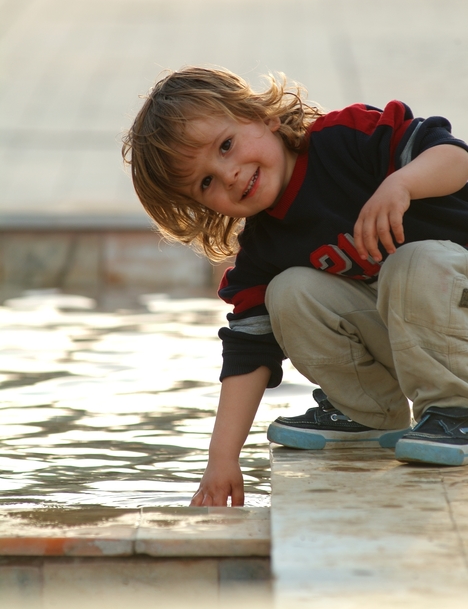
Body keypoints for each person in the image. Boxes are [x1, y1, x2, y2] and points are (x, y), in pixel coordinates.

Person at [122, 66, 468, 507]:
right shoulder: (263, 251)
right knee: (288, 291)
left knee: (412, 261)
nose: (227, 175)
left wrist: (401, 182)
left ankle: (458, 410)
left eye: (225, 146)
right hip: (425, 337)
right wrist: (221, 460)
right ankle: (370, 413)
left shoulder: (345, 139)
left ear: (262, 116)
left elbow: (455, 157)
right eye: (205, 182)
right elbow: (247, 351)